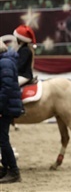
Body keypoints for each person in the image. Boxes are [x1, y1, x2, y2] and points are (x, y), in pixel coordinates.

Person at [0, 40, 22, 183]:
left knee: (3, 140)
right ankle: (7, 168)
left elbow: (6, 88)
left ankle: (14, 171)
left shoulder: (5, 63)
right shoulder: (5, 61)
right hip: (6, 106)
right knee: (2, 139)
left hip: (5, 107)